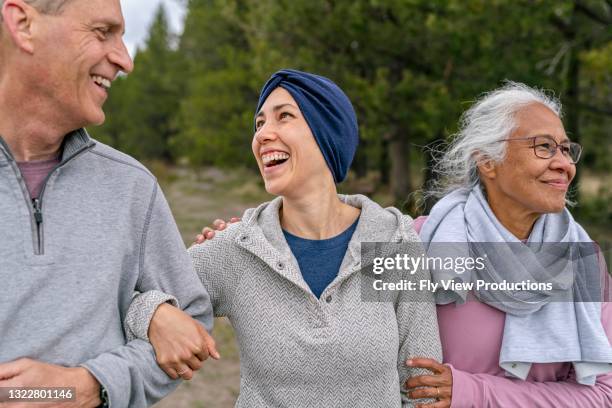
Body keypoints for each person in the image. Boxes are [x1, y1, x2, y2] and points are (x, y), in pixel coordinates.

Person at [126, 69, 445, 407]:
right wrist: (152, 312)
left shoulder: (391, 242)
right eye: (259, 123)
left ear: (328, 135)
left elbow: (421, 388)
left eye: (284, 117)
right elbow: (122, 294)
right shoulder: (235, 249)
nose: (263, 134)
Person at [0, 1, 215, 407]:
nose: (126, 60)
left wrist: (92, 385)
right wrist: (146, 310)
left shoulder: (132, 186)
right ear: (23, 24)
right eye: (103, 32)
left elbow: (194, 322)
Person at [406, 82, 612, 407]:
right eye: (544, 147)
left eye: (566, 149)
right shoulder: (422, 243)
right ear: (487, 161)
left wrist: (473, 393)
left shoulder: (585, 259)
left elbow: (603, 394)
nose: (565, 164)